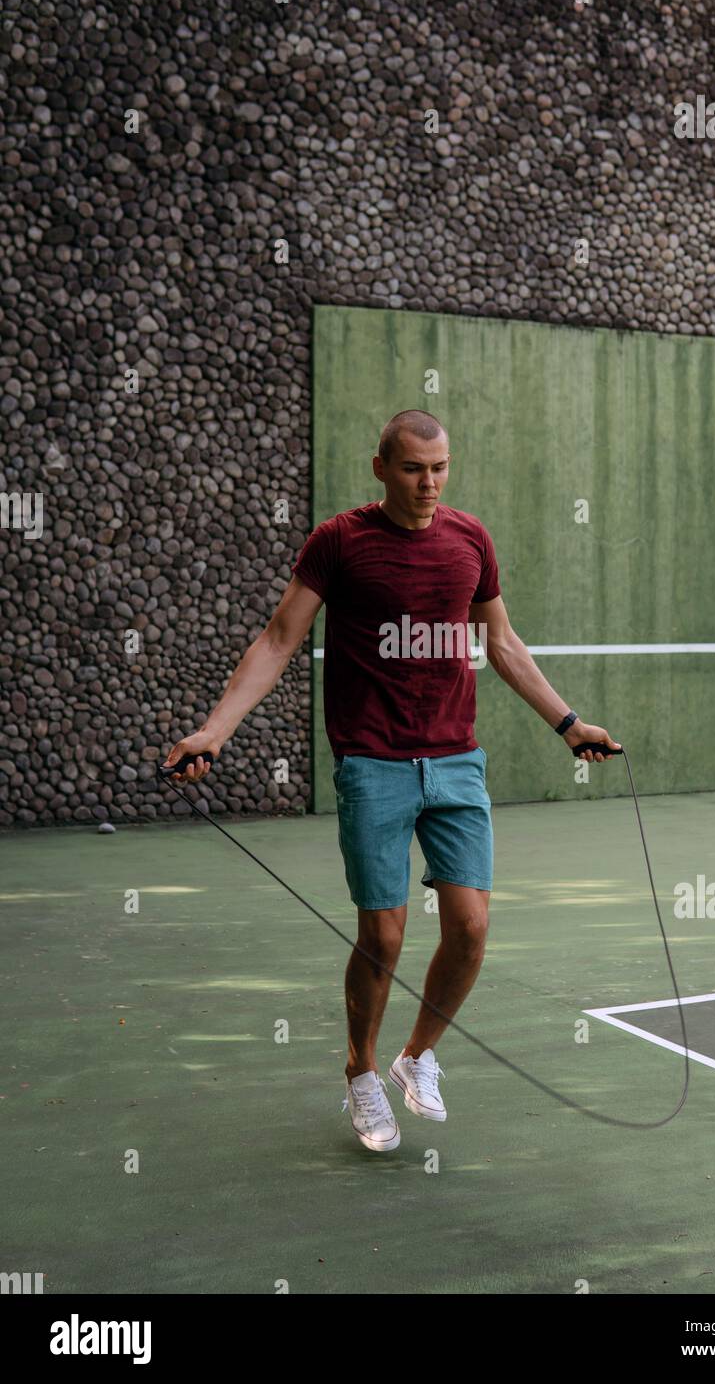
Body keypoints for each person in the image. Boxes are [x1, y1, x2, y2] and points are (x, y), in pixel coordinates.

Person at [163, 409, 620, 1153]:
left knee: (470, 929)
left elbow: (499, 642)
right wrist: (214, 731)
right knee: (383, 933)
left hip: (456, 761)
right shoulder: (338, 543)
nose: (429, 482)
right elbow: (280, 638)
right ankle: (362, 1073)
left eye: (440, 468)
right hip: (373, 764)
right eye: (413, 468)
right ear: (380, 467)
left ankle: (418, 1055)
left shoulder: (470, 540)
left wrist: (571, 724)